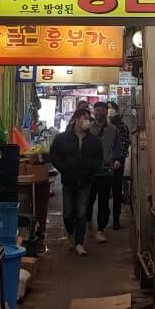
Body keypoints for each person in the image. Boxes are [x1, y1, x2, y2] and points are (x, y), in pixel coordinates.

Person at [49, 108, 103, 255]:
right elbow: (54, 155)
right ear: (76, 119)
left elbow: (99, 156)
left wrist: (93, 168)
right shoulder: (62, 138)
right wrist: (63, 168)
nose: (87, 121)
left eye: (88, 118)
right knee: (68, 213)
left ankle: (79, 243)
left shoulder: (94, 140)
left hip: (85, 181)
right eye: (84, 118)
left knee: (81, 213)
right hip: (68, 180)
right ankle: (71, 232)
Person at [87, 102, 128, 241]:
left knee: (104, 201)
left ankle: (100, 229)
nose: (99, 113)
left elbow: (118, 147)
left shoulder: (114, 129)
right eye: (97, 110)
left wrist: (117, 159)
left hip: (106, 171)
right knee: (89, 200)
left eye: (102, 110)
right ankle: (87, 221)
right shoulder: (88, 128)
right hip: (90, 171)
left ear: (106, 112)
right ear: (93, 112)